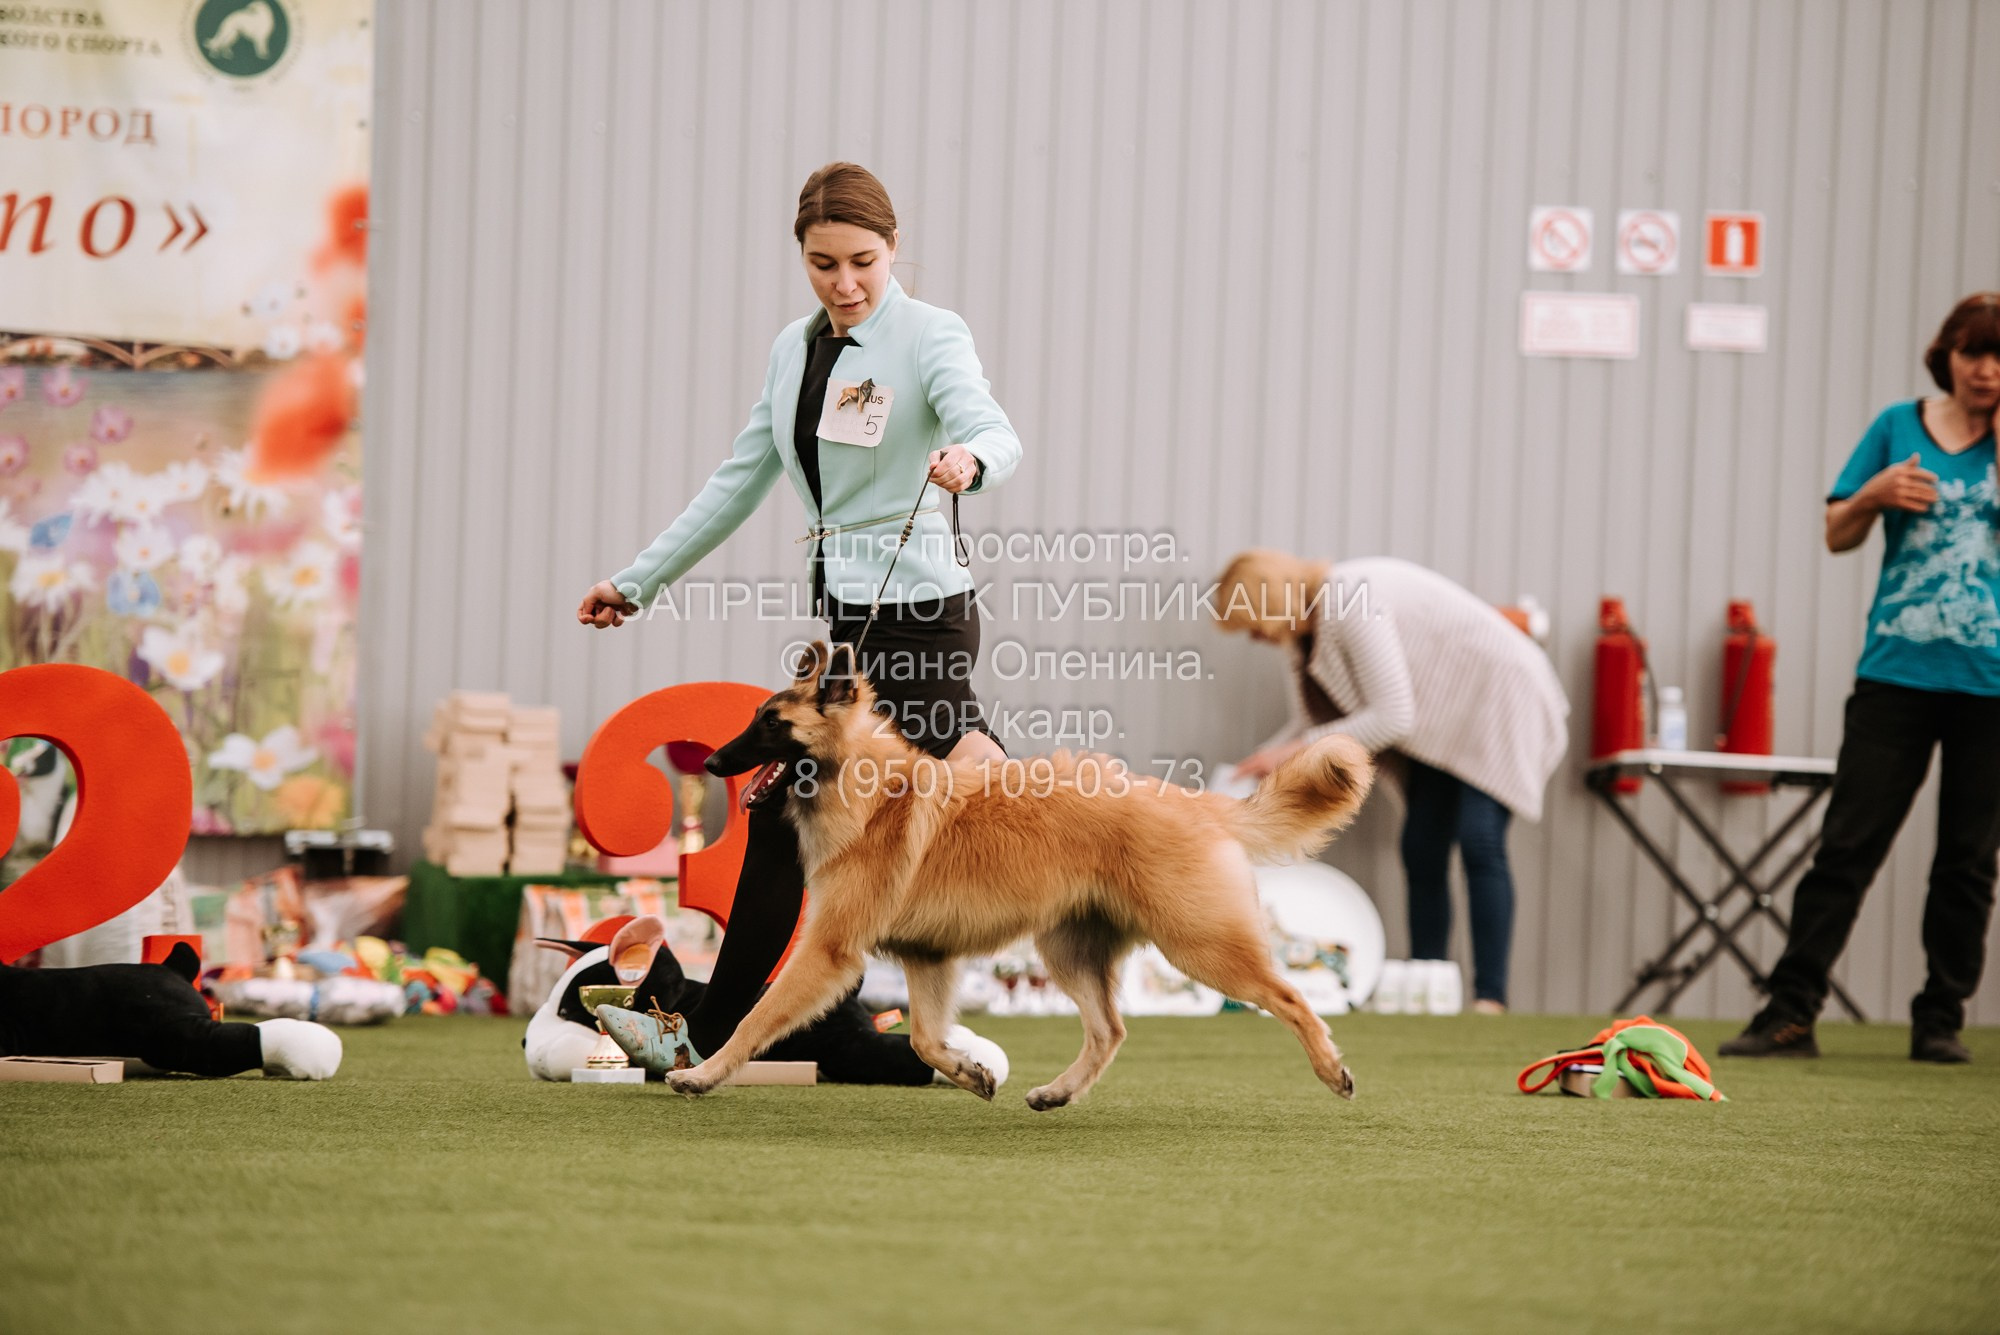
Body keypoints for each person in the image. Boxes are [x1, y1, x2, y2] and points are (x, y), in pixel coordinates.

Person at [575, 162, 1020, 1082]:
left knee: (798, 807)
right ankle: (790, 1020)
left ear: (893, 248)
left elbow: (993, 428)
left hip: (921, 615)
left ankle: (714, 1031)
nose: (844, 283)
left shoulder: (931, 334)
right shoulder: (793, 349)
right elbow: (738, 480)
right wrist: (638, 580)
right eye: (823, 264)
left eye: (862, 261)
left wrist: (970, 461)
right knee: (810, 809)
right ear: (802, 257)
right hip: (849, 623)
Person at [1722, 293, 2000, 1064]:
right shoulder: (1897, 427)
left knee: (1968, 862)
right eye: (1974, 352)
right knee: (1846, 846)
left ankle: (1940, 1019)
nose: (1987, 369)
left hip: (1991, 685)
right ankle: (1790, 1013)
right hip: (1896, 675)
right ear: (1947, 356)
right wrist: (1874, 494)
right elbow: (1837, 534)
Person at [1213, 550, 1569, 1013]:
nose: (1254, 636)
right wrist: (1261, 762)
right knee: (1421, 845)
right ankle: (1428, 983)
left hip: (1498, 698)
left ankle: (1490, 999)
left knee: (1479, 840)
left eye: (1250, 623)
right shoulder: (1301, 640)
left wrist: (1291, 752)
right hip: (1437, 722)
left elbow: (1393, 716)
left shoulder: (1349, 600)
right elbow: (1309, 724)